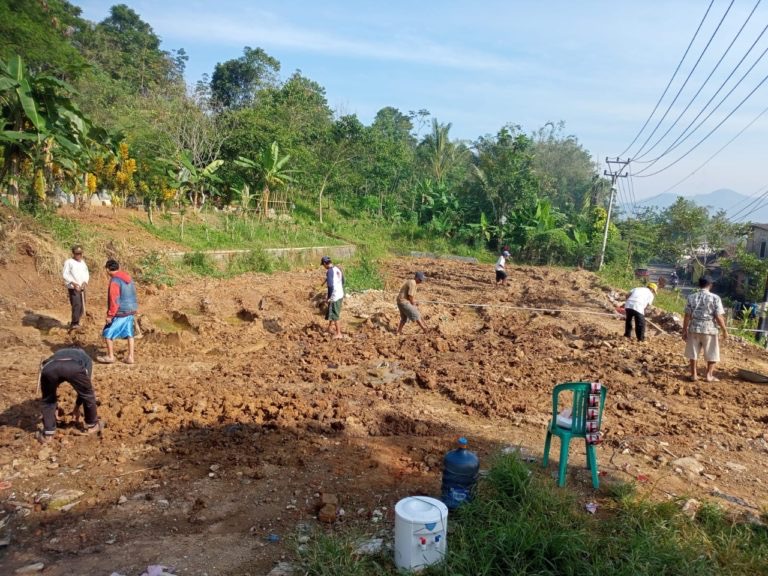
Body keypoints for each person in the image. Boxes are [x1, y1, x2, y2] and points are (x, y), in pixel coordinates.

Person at [37, 347, 102, 443]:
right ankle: (92, 425)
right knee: (88, 394)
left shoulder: (58, 352)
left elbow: (50, 389)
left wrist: (54, 407)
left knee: (48, 400)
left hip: (50, 368)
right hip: (73, 367)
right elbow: (84, 391)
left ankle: (48, 434)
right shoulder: (86, 358)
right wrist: (77, 407)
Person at [682, 276, 728, 382]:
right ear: (710, 285)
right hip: (709, 329)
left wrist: (684, 330)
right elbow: (718, 316)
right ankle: (709, 376)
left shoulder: (691, 297)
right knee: (712, 353)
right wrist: (724, 330)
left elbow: (687, 315)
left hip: (694, 328)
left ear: (699, 285)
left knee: (693, 353)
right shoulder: (715, 298)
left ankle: (694, 375)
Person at [98, 259, 138, 364]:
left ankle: (111, 356)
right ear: (118, 267)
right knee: (130, 333)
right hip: (131, 309)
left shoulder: (114, 281)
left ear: (107, 269)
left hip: (121, 311)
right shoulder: (128, 278)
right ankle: (130, 357)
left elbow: (114, 300)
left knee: (107, 332)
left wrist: (110, 315)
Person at [62, 245, 89, 329]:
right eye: (77, 254)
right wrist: (73, 283)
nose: (79, 255)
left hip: (82, 287)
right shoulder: (69, 262)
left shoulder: (83, 263)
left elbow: (86, 274)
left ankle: (78, 321)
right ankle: (74, 323)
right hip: (74, 287)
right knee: (76, 304)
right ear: (73, 253)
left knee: (82, 305)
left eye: (80, 253)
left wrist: (85, 282)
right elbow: (65, 274)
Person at [320, 256, 344, 339]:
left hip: (335, 296)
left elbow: (330, 285)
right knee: (331, 311)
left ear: (324, 264)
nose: (324, 267)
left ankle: (339, 333)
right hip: (340, 293)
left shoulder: (329, 272)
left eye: (323, 265)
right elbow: (342, 281)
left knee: (334, 314)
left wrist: (329, 297)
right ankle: (329, 328)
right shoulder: (337, 269)